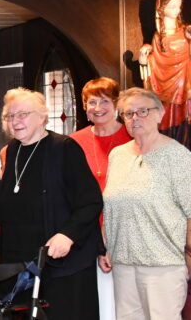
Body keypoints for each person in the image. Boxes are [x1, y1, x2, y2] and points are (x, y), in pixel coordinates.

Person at [0, 88, 103, 319]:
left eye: (22, 114)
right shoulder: (13, 150)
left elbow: (91, 202)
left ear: (42, 116)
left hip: (60, 260)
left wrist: (68, 235)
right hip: (19, 258)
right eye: (10, 116)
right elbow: (12, 200)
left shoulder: (64, 148)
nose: (15, 121)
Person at [101, 88, 191, 319]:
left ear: (160, 114)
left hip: (163, 264)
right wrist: (108, 247)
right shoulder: (118, 155)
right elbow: (111, 206)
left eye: (143, 111)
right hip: (122, 262)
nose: (135, 118)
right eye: (128, 114)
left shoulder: (178, 156)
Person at [69, 77, 131, 320]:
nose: (97, 108)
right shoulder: (74, 142)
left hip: (125, 228)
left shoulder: (132, 136)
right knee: (99, 300)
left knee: (126, 301)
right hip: (88, 230)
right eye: (91, 102)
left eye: (104, 101)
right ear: (84, 106)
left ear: (116, 103)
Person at [138, 0, 191, 144]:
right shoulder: (157, 37)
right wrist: (144, 56)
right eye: (172, 6)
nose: (177, 10)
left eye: (179, 6)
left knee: (185, 117)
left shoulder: (185, 31)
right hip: (164, 81)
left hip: (184, 79)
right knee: (166, 115)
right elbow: (151, 61)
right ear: (162, 9)